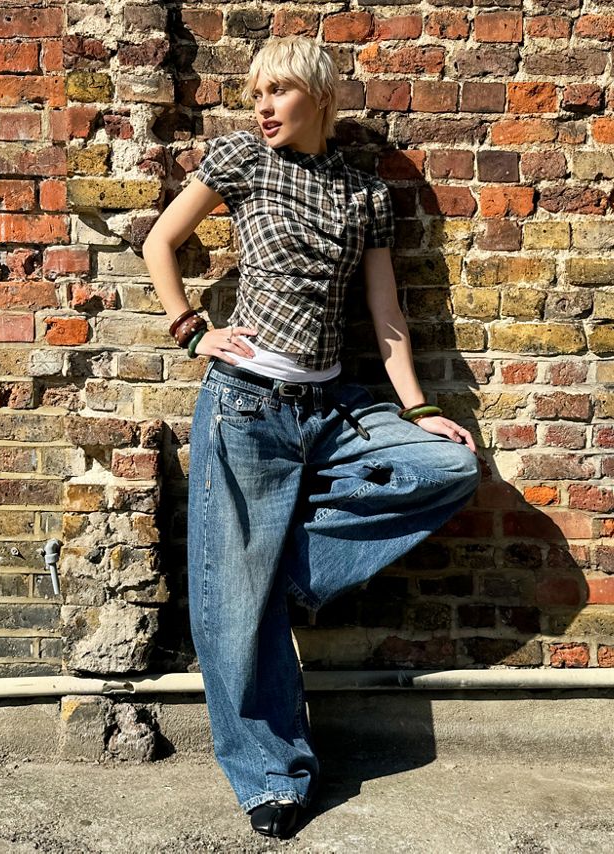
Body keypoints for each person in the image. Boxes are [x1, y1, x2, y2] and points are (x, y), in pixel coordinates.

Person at [143, 35, 481, 840]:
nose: (263, 108)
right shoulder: (241, 161)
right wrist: (192, 329)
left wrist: (417, 409)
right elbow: (159, 242)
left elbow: (386, 317)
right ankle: (274, 776)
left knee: (447, 465)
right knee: (232, 617)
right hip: (246, 407)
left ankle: (287, 577)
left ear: (320, 96)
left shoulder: (365, 193)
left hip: (332, 408)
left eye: (279, 92)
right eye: (256, 94)